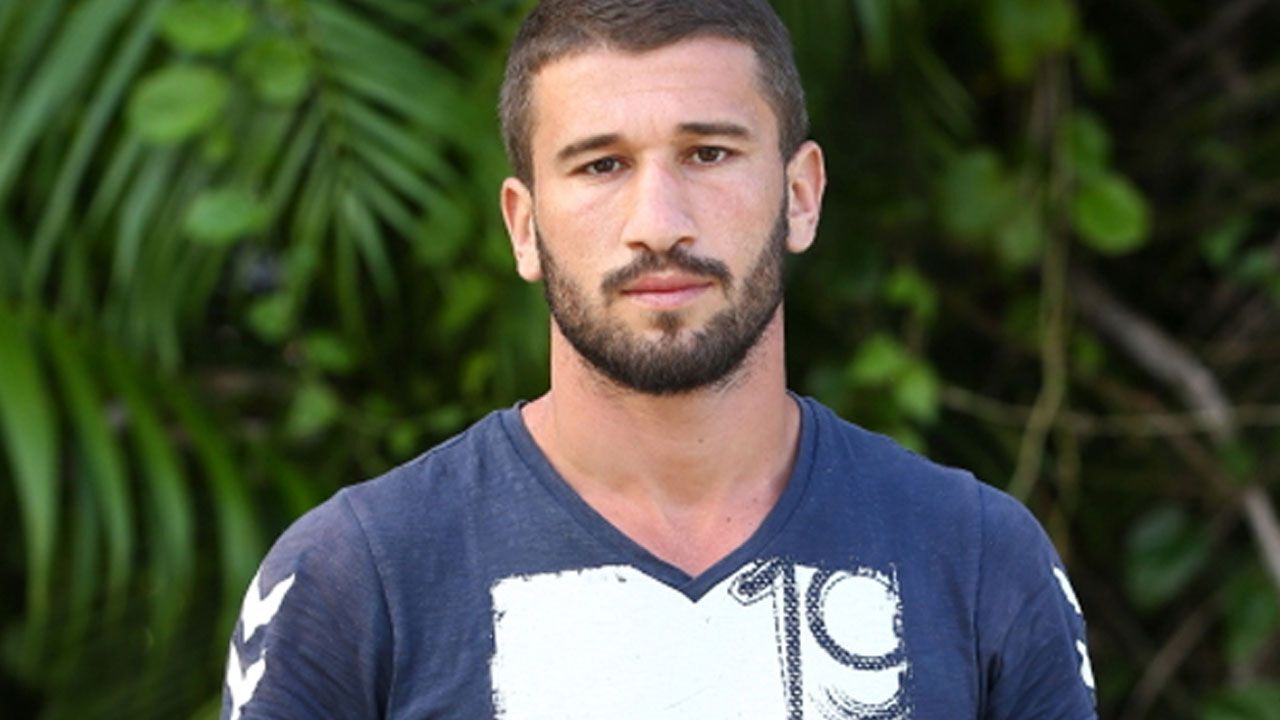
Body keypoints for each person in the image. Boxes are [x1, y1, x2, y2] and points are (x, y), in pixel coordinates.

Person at [222, 1, 1097, 718]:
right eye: (601, 165)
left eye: (708, 154)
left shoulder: (977, 560)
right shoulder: (358, 581)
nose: (659, 222)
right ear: (524, 226)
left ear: (800, 195)